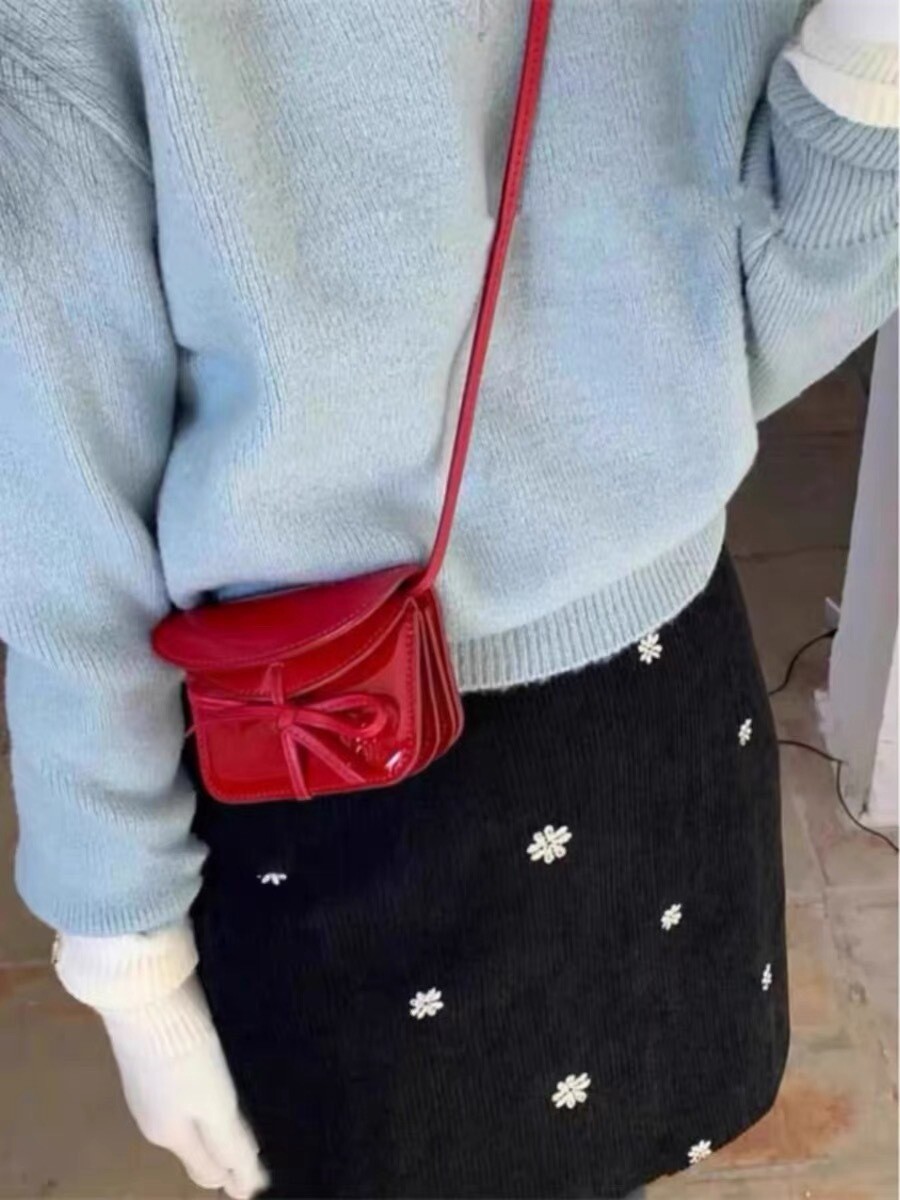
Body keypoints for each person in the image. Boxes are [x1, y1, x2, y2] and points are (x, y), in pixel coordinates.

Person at [0, 1, 896, 1197]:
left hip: (584, 700)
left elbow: (60, 478)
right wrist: (124, 933)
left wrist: (124, 942)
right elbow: (768, 311)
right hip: (376, 737)